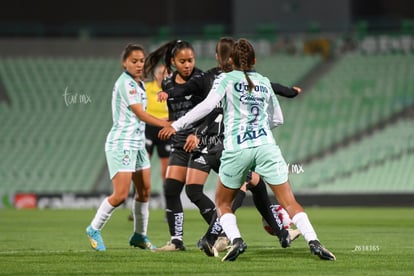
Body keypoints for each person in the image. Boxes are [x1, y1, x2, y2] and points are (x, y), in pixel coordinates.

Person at [159, 38, 336, 262]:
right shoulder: (263, 81)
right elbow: (278, 119)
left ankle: (236, 240)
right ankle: (314, 242)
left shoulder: (225, 79)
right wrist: (259, 128)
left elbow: (205, 107)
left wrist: (176, 125)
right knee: (289, 201)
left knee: (222, 202)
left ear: (230, 60)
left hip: (236, 148)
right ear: (254, 60)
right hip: (265, 146)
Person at [85, 43, 170, 251]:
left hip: (138, 144)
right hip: (122, 144)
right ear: (124, 63)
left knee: (144, 191)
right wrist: (166, 123)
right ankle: (94, 228)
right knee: (121, 195)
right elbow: (141, 114)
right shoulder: (126, 84)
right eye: (134, 61)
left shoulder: (139, 84)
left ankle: (139, 235)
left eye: (141, 61)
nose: (139, 64)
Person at [144, 40, 214, 251]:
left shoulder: (202, 79)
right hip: (180, 141)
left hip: (202, 141)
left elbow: (212, 111)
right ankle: (176, 240)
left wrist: (198, 134)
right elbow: (175, 114)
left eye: (190, 60)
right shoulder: (167, 83)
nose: (187, 65)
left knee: (194, 191)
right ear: (173, 62)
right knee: (171, 189)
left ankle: (220, 233)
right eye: (182, 61)